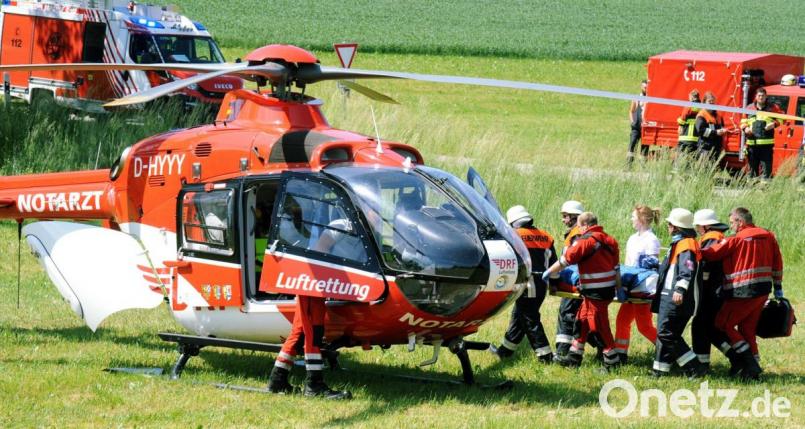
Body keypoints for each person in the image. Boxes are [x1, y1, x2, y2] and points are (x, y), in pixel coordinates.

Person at [267, 204, 352, 400]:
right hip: (312, 282)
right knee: (314, 334)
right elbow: (319, 250)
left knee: (298, 333)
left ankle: (277, 380)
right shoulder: (341, 225)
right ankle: (314, 385)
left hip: (316, 283)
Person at [701, 207, 784, 380]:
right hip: (763, 290)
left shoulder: (737, 238)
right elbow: (778, 262)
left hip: (742, 291)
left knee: (724, 324)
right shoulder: (769, 235)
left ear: (740, 222)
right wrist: (778, 287)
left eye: (732, 222)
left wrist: (694, 248)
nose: (731, 226)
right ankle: (753, 369)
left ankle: (749, 364)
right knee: (747, 329)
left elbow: (712, 254)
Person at [543, 212, 622, 369]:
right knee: (582, 319)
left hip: (595, 291)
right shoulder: (610, 240)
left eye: (579, 226)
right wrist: (619, 288)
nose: (578, 230)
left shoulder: (585, 241)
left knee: (599, 325)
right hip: (605, 289)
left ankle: (612, 361)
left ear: (585, 225)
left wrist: (549, 272)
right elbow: (616, 268)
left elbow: (565, 260)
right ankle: (574, 356)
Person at [490, 205, 557, 363]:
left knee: (529, 318)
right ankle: (505, 351)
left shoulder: (514, 236)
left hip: (527, 284)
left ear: (514, 222)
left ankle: (545, 355)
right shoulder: (546, 236)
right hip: (541, 284)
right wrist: (554, 283)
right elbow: (554, 264)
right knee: (518, 315)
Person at [651, 208, 706, 378]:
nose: (668, 227)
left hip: (677, 297)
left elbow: (687, 269)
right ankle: (660, 371)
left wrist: (680, 289)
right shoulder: (679, 243)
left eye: (669, 224)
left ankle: (694, 366)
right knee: (665, 334)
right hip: (669, 295)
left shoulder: (686, 245)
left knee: (666, 333)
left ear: (676, 227)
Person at [690, 209, 739, 374]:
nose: (697, 229)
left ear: (705, 226)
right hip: (716, 289)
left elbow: (706, 264)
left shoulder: (712, 238)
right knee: (707, 328)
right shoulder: (718, 236)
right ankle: (708, 362)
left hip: (711, 290)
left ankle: (735, 358)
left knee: (702, 327)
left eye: (698, 227)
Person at [613, 205, 660, 364]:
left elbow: (651, 268)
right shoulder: (633, 238)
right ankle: (620, 355)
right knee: (622, 321)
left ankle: (668, 351)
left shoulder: (651, 239)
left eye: (633, 216)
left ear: (641, 219)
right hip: (630, 287)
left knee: (644, 327)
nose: (631, 219)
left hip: (641, 288)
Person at [553, 200, 585, 361]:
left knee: (568, 313)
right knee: (572, 314)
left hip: (576, 281)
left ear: (574, 217)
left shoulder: (578, 235)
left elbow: (573, 260)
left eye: (566, 216)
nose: (563, 220)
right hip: (572, 280)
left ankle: (562, 352)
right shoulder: (575, 234)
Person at [741, 88, 783, 179]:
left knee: (766, 171)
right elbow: (742, 122)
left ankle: (765, 189)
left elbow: (782, 118)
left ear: (766, 96)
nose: (761, 97)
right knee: (752, 171)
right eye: (759, 95)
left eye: (763, 95)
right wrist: (746, 129)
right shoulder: (749, 108)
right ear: (756, 97)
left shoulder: (773, 108)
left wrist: (773, 124)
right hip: (752, 145)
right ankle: (751, 189)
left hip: (766, 146)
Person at [694, 92, 727, 162]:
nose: (712, 103)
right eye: (709, 101)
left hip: (716, 149)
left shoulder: (718, 116)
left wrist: (723, 131)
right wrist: (716, 132)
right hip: (705, 149)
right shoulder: (701, 115)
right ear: (704, 102)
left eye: (713, 102)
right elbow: (701, 131)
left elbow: (721, 129)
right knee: (703, 170)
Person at [627, 80, 649, 165]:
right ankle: (628, 165)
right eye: (644, 87)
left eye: (647, 87)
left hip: (646, 128)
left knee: (645, 147)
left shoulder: (651, 99)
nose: (646, 89)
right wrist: (632, 122)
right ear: (641, 87)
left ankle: (643, 166)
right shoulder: (637, 98)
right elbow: (631, 111)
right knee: (632, 145)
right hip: (636, 127)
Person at [677, 89, 701, 155]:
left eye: (689, 97)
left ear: (692, 97)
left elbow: (683, 118)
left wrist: (679, 123)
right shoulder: (702, 107)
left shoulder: (689, 106)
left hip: (686, 135)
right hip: (696, 137)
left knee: (681, 155)